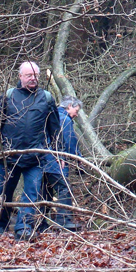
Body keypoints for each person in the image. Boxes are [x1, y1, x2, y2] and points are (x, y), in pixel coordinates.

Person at [0, 61, 60, 240]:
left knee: (32, 194)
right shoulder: (8, 96)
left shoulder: (47, 98)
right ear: (20, 76)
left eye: (35, 75)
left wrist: (60, 152)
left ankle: (23, 229)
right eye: (29, 76)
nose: (33, 79)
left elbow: (55, 129)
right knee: (2, 194)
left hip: (35, 159)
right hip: (8, 157)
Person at [39, 96, 83, 232]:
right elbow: (69, 142)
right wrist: (78, 159)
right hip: (56, 161)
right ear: (69, 106)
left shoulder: (49, 116)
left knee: (44, 191)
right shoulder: (64, 120)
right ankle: (64, 221)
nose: (76, 114)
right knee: (63, 188)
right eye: (76, 110)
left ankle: (40, 222)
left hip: (40, 160)